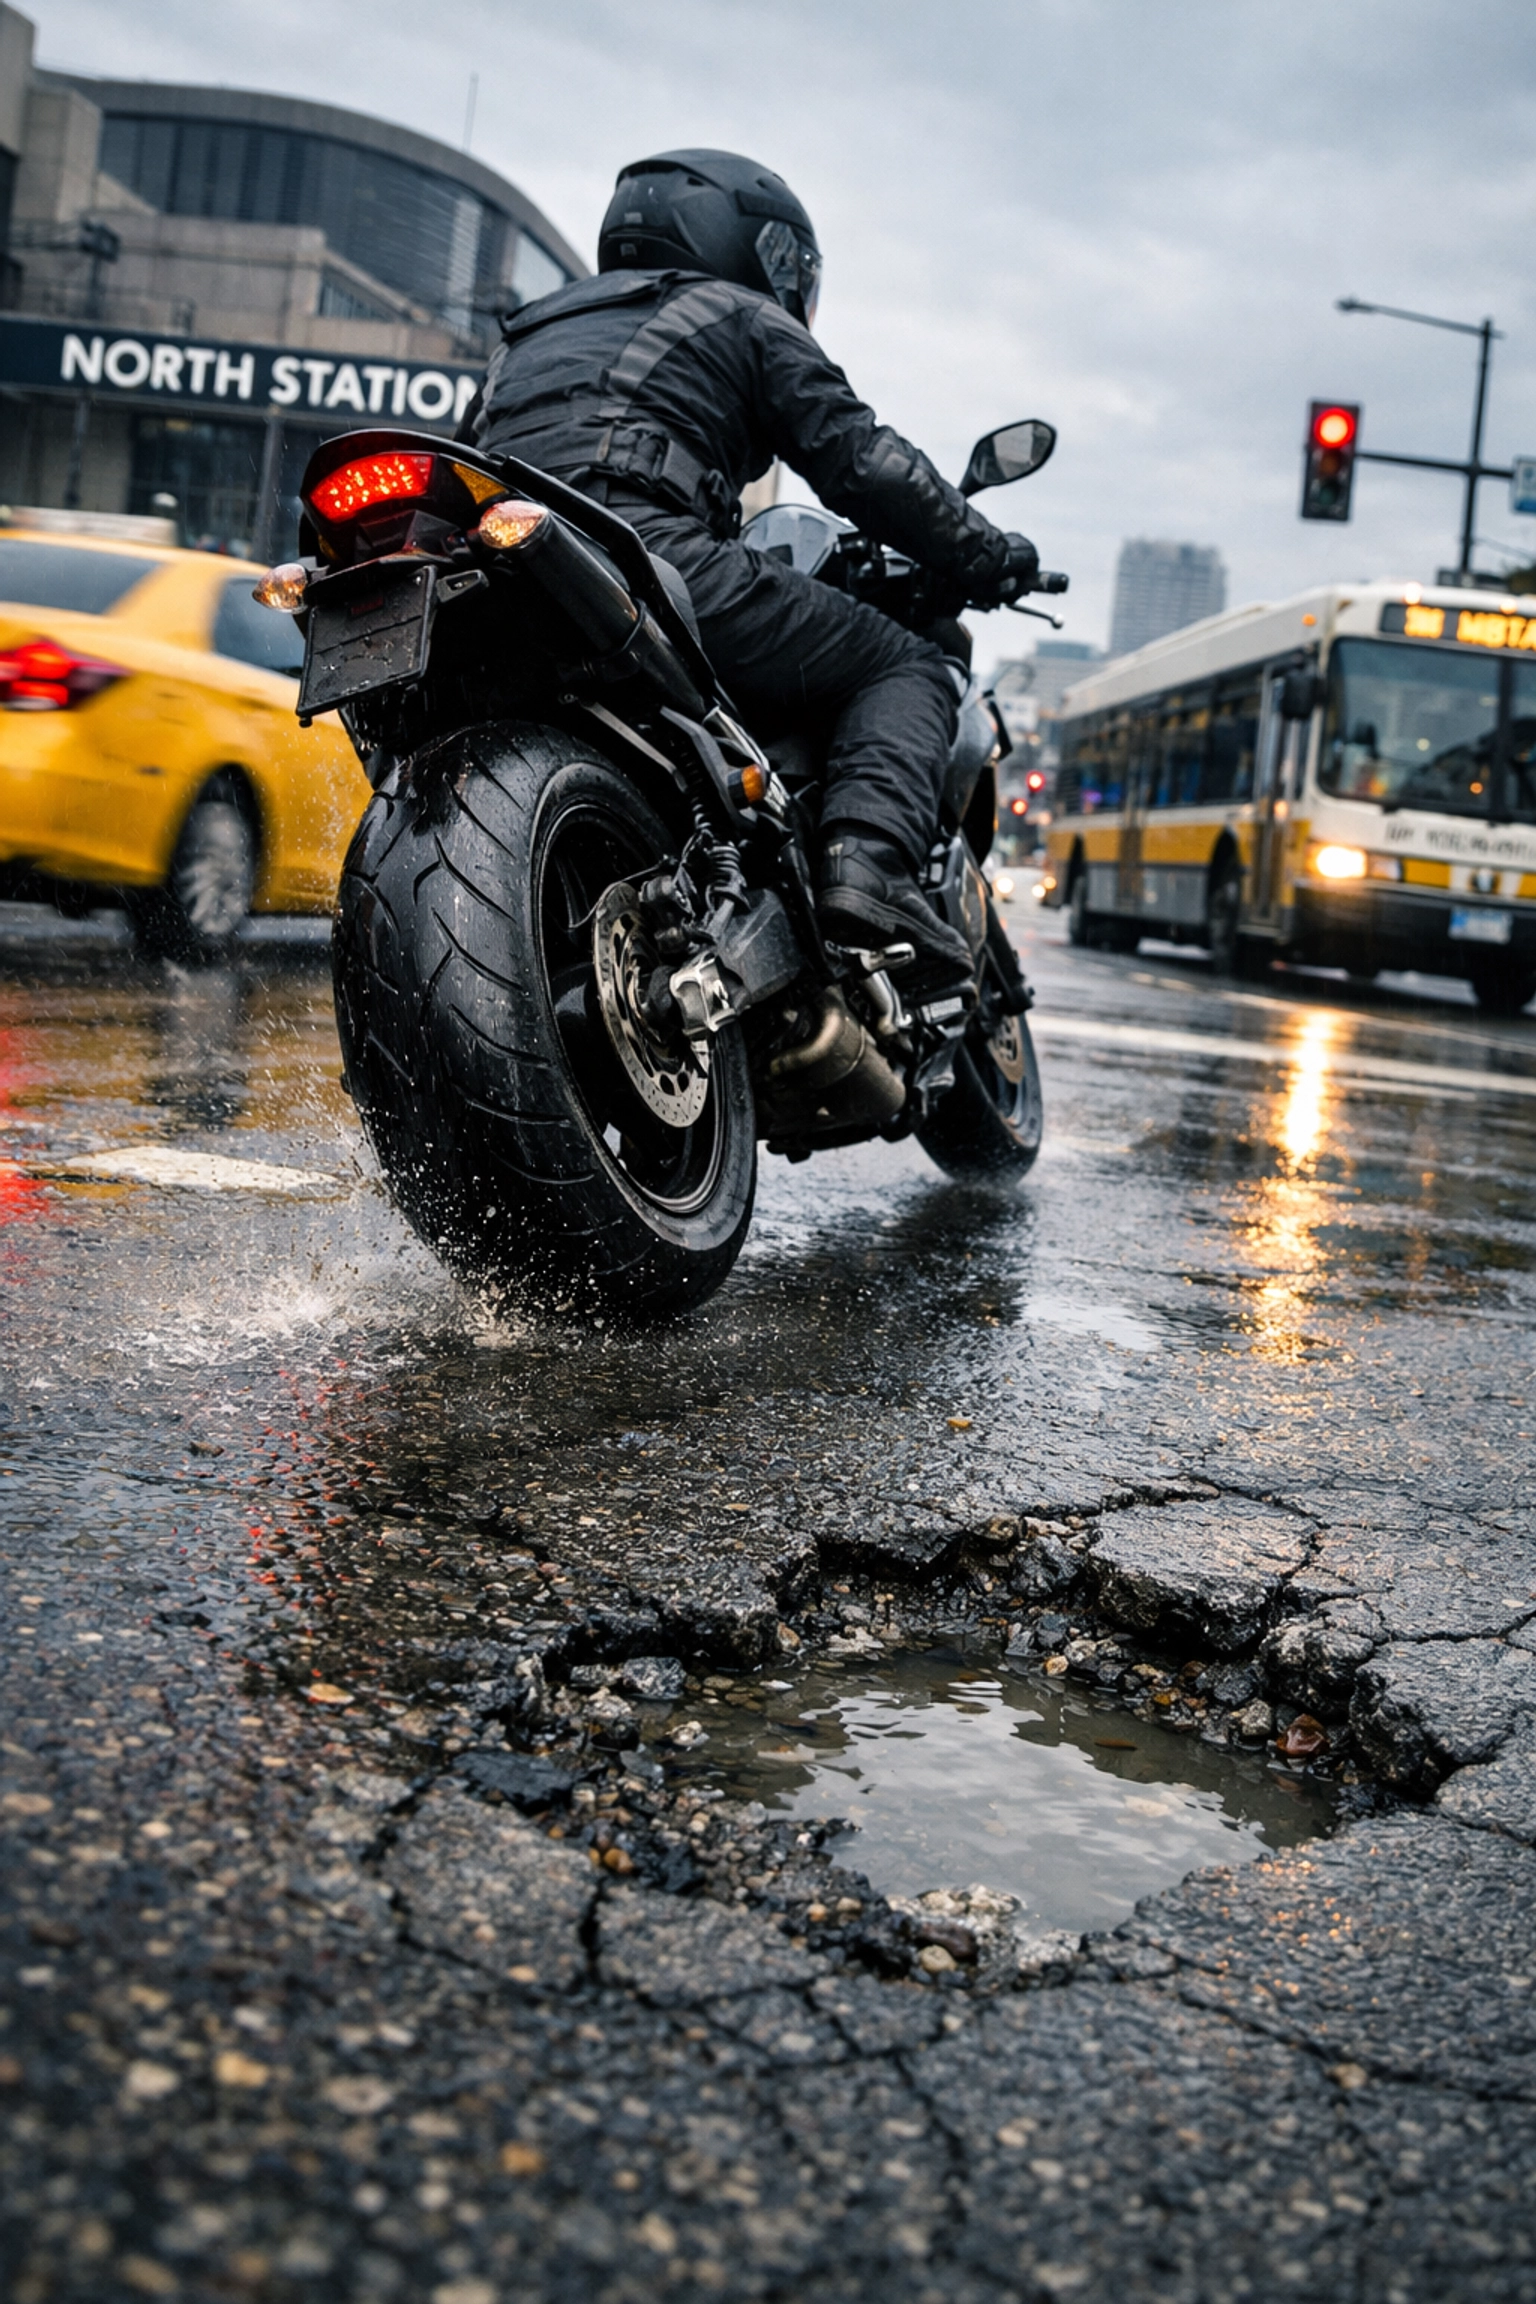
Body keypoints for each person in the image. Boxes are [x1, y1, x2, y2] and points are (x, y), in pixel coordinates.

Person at [460, 147, 1039, 985]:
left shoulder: (527, 335)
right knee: (909, 660)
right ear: (744, 241)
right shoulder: (737, 313)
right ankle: (868, 872)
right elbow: (862, 461)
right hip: (647, 558)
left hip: (504, 573)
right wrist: (987, 556)